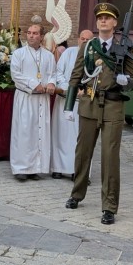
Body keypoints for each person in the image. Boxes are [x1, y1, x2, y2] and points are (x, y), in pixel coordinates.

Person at [64, 1, 133, 225]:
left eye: (107, 18)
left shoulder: (125, 46)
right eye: (99, 18)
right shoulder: (88, 46)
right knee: (83, 152)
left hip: (113, 105)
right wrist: (68, 105)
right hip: (89, 103)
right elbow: (76, 76)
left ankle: (109, 206)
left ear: (115, 22)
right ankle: (77, 193)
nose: (103, 20)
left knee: (109, 157)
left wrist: (126, 81)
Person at [9, 22, 56, 180]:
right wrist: (34, 84)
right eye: (29, 32)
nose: (31, 35)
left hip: (42, 100)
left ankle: (35, 168)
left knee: (39, 132)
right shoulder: (19, 54)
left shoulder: (48, 55)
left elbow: (53, 73)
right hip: (26, 98)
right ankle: (21, 168)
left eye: (35, 33)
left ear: (42, 36)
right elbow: (16, 74)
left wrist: (51, 83)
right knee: (24, 132)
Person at [50, 29, 93, 179]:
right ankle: (58, 167)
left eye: (88, 40)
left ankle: (78, 170)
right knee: (60, 134)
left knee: (80, 138)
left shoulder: (95, 56)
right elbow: (58, 72)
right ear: (78, 39)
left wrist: (85, 91)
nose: (84, 42)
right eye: (82, 39)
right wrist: (68, 88)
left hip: (84, 102)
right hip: (65, 100)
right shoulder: (69, 53)